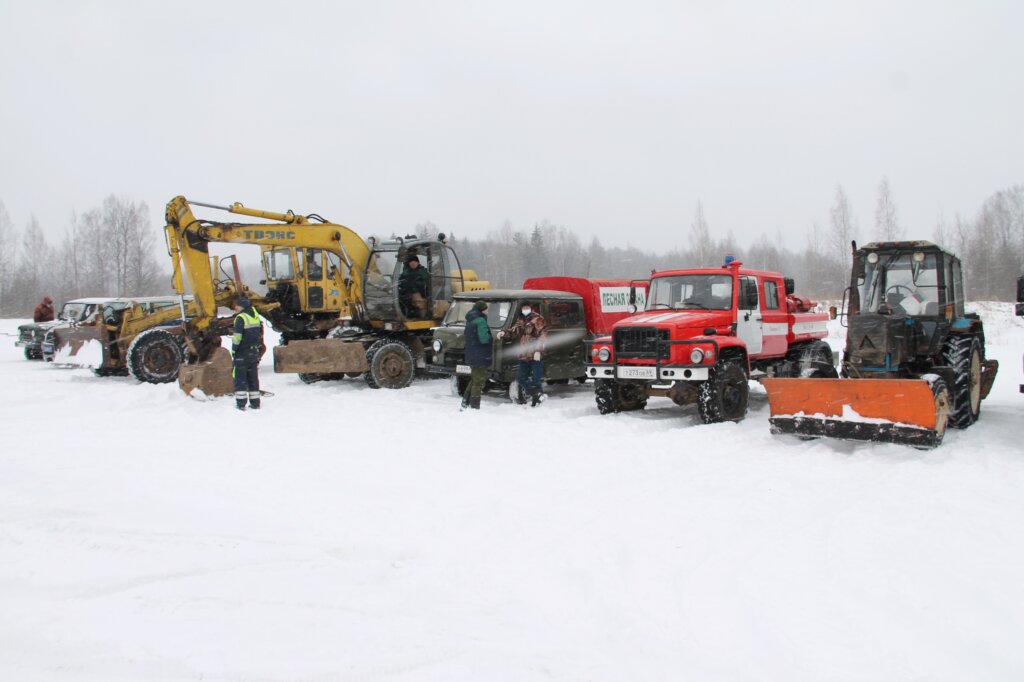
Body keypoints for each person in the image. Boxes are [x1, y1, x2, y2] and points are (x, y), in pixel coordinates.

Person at [506, 301, 548, 406]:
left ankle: (537, 401)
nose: (525, 309)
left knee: (536, 380)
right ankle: (537, 395)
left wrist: (538, 351)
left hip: (535, 355)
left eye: (527, 307)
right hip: (524, 355)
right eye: (523, 307)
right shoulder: (520, 319)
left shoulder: (538, 319)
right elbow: (515, 331)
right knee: (521, 378)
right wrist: (504, 333)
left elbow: (542, 337)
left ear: (530, 308)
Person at [232, 296, 264, 411]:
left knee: (240, 378)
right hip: (253, 352)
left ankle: (241, 403)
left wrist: (234, 350)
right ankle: (255, 402)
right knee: (253, 378)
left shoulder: (240, 318)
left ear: (243, 306)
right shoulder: (255, 317)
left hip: (242, 352)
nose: (236, 308)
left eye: (238, 306)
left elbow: (237, 338)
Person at [462, 300, 492, 410]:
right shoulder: (481, 321)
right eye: (486, 308)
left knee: (474, 379)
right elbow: (484, 339)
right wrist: (492, 338)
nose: (488, 310)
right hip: (480, 354)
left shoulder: (470, 319)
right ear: (481, 310)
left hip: (471, 354)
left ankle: (465, 402)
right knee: (479, 381)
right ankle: (475, 406)